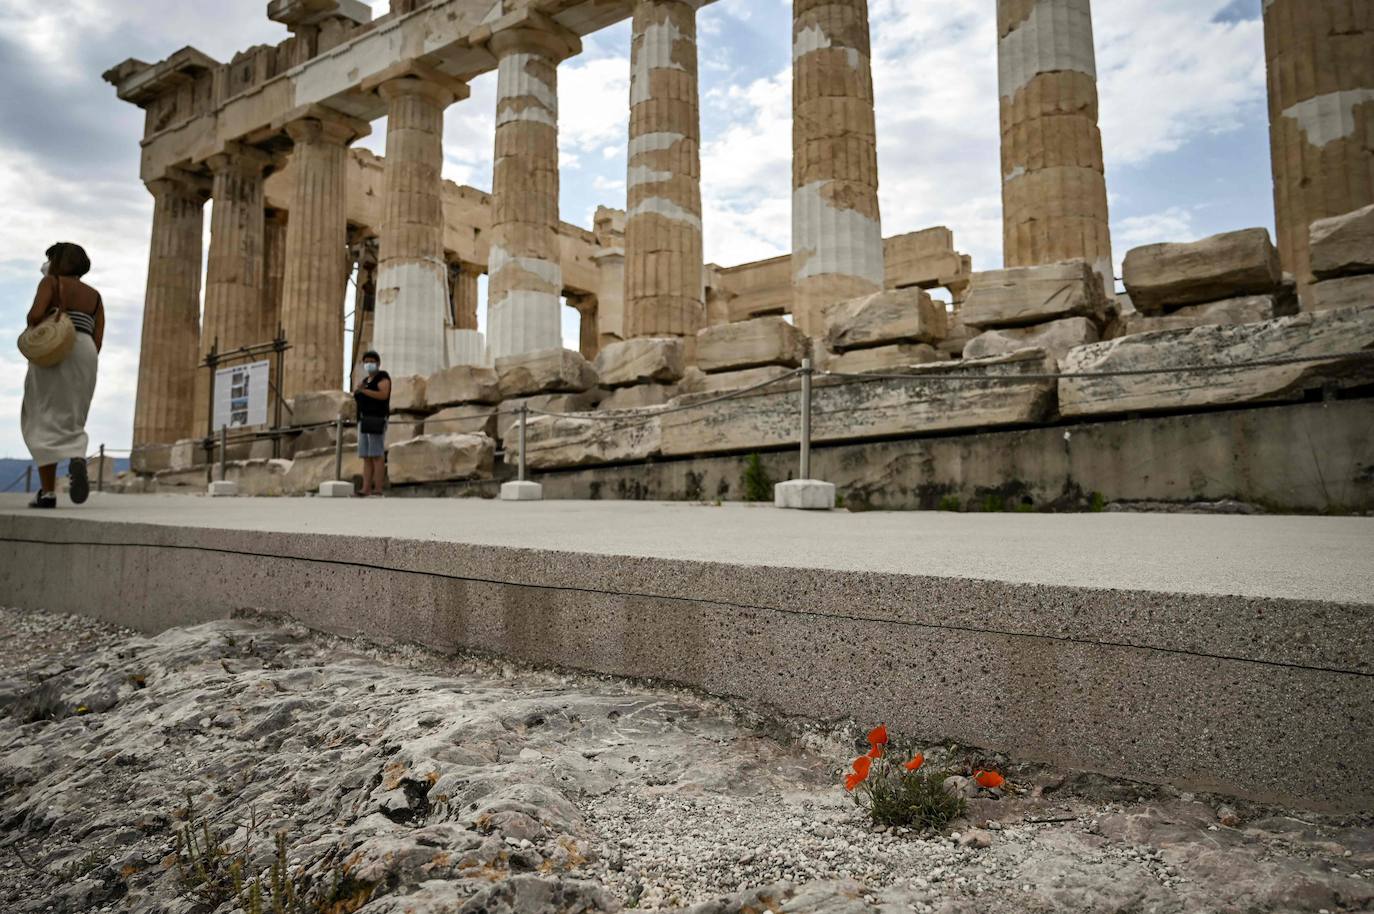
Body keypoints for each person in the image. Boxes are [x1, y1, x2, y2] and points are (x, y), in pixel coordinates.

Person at [21, 243, 103, 509]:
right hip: (85, 351)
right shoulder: (95, 295)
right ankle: (77, 457)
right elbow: (98, 337)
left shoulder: (51, 283)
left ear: (56, 261)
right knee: (72, 415)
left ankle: (47, 493)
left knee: (43, 414)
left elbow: (35, 316)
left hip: (56, 346)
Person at [353, 350, 391, 496]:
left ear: (378, 363)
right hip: (363, 420)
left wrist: (364, 391)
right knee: (366, 456)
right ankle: (365, 488)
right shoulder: (364, 381)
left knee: (377, 454)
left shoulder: (383, 377)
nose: (369, 364)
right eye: (366, 361)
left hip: (377, 419)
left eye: (371, 361)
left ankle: (378, 489)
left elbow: (383, 395)